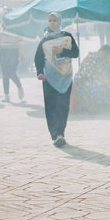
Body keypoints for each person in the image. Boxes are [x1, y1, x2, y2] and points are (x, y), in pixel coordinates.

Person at [34, 13, 79, 146]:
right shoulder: (44, 40)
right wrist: (40, 72)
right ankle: (55, 135)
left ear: (60, 22)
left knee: (63, 106)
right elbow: (38, 59)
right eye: (50, 20)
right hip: (49, 78)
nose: (52, 23)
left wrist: (62, 51)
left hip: (65, 77)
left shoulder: (67, 36)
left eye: (55, 20)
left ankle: (61, 133)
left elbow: (75, 53)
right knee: (51, 107)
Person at [71, 44, 110, 113]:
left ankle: (107, 104)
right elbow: (84, 74)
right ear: (101, 51)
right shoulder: (91, 58)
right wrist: (99, 78)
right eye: (105, 54)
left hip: (100, 80)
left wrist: (109, 62)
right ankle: (91, 106)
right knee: (96, 85)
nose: (105, 56)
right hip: (84, 81)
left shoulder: (106, 59)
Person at [0, 21, 25, 102]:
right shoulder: (1, 29)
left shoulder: (16, 30)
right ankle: (6, 96)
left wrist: (21, 53)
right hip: (3, 52)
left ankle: (19, 87)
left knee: (12, 73)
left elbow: (20, 43)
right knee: (5, 74)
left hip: (13, 52)